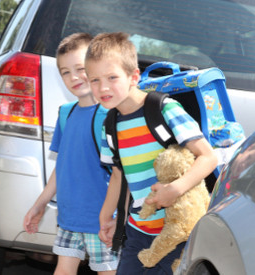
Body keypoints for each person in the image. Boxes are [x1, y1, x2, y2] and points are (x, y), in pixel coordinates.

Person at [85, 32, 218, 275]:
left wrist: (175, 189)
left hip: (176, 230)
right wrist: (108, 218)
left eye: (112, 77)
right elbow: (118, 176)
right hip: (138, 230)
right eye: (94, 80)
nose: (102, 87)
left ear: (134, 76)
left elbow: (208, 156)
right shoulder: (110, 124)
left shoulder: (163, 109)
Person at [23, 32, 119, 275]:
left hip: (103, 221)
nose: (74, 77)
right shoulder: (66, 114)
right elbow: (62, 166)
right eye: (65, 72)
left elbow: (122, 173)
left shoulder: (111, 115)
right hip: (69, 218)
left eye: (80, 68)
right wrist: (40, 204)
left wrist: (118, 217)